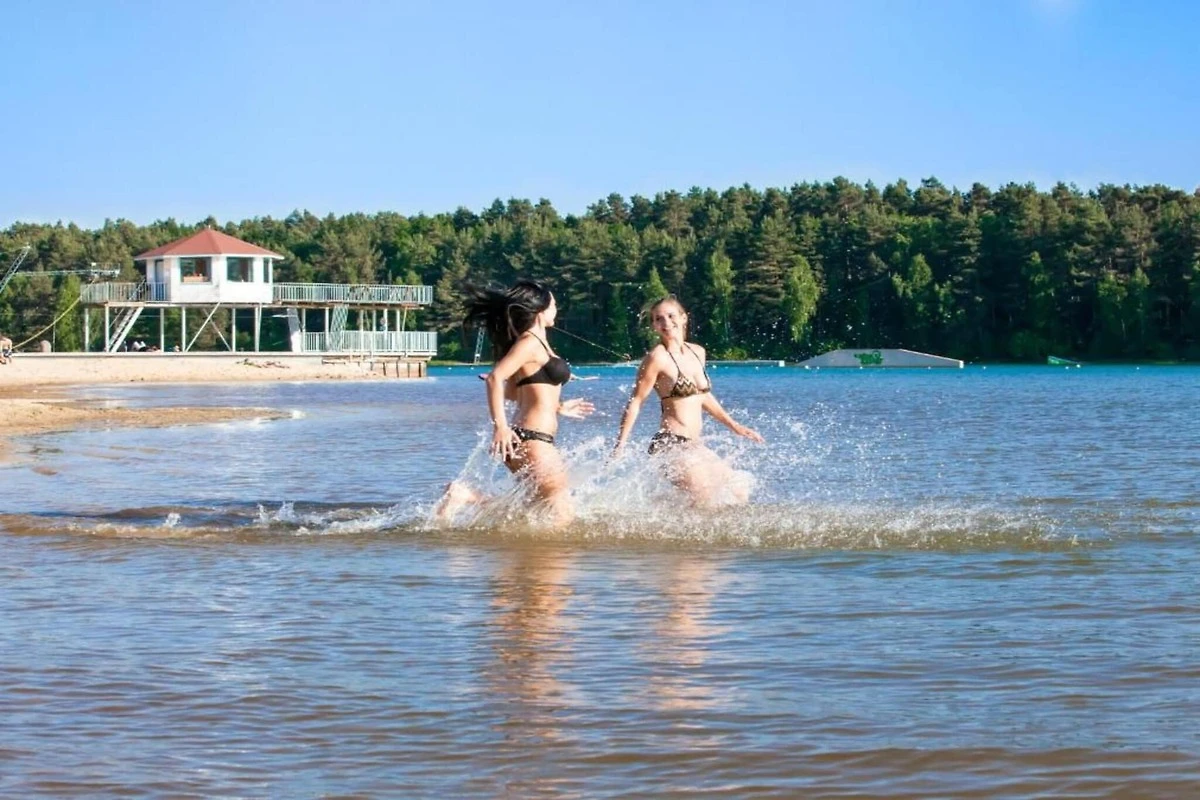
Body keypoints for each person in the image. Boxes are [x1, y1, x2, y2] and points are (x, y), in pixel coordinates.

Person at [436, 279, 594, 527]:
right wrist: (500, 427)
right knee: (562, 515)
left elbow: (514, 393)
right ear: (540, 310)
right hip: (533, 441)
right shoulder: (529, 342)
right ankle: (466, 496)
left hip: (530, 439)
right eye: (554, 304)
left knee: (531, 511)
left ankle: (466, 496)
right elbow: (495, 379)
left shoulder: (537, 343)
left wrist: (559, 407)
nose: (557, 309)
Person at [614, 295, 764, 507]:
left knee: (738, 489)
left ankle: (657, 512)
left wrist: (735, 426)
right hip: (669, 444)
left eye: (671, 316)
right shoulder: (656, 358)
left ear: (684, 318)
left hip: (693, 445)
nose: (666, 322)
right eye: (658, 319)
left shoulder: (698, 352)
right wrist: (620, 444)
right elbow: (636, 401)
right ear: (654, 326)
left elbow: (702, 395)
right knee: (704, 497)